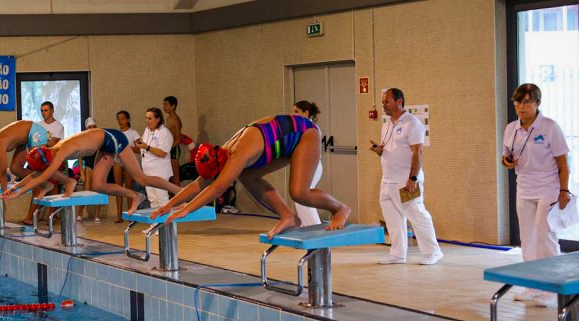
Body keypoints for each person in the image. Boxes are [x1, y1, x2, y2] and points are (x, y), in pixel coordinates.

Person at [150, 114, 351, 239]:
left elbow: (217, 187)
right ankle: (287, 216)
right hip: (283, 141)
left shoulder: (238, 155)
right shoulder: (224, 153)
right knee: (247, 176)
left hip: (305, 134)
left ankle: (340, 209)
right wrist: (169, 205)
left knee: (299, 192)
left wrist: (188, 210)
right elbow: (200, 183)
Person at [2, 127, 183, 215]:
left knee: (141, 178)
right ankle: (135, 196)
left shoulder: (61, 151)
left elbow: (44, 174)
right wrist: (17, 187)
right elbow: (37, 174)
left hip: (113, 139)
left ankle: (181, 194)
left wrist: (19, 193)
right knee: (98, 185)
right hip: (102, 145)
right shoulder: (51, 151)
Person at [502, 83, 570, 306]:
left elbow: (563, 163)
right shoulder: (511, 128)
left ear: (537, 103)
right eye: (518, 102)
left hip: (548, 189)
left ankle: (552, 289)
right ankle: (532, 286)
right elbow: (506, 157)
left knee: (545, 237)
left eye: (527, 102)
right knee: (527, 240)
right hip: (524, 188)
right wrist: (507, 162)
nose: (521, 106)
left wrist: (563, 190)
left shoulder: (550, 127)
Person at [369, 88, 442, 265]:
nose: (383, 105)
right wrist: (380, 151)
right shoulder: (386, 125)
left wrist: (413, 178)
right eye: (383, 102)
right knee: (392, 218)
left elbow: (418, 152)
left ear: (399, 101)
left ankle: (433, 252)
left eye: (387, 101)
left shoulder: (412, 123)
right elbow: (391, 149)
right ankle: (397, 253)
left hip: (405, 179)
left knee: (417, 215)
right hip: (387, 179)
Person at [0, 120, 76, 225]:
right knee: (15, 169)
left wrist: (4, 199)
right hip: (25, 139)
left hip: (35, 132)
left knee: (40, 170)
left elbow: (2, 175)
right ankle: (42, 183)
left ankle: (32, 214)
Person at [292, 100, 325, 226]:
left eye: (297, 112)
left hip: (313, 167)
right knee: (300, 198)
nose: (294, 115)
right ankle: (307, 227)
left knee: (303, 196)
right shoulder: (302, 129)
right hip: (305, 167)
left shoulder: (312, 129)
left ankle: (314, 228)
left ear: (306, 113)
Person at [139, 108, 176, 209]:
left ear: (158, 119)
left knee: (162, 199)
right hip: (147, 172)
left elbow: (162, 153)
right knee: (152, 200)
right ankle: (155, 224)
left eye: (150, 118)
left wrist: (147, 147)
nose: (147, 121)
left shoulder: (165, 132)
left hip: (160, 172)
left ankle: (168, 224)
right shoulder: (147, 130)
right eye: (146, 118)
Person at [113, 111, 142, 223]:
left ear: (128, 119)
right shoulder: (116, 133)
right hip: (118, 160)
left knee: (129, 187)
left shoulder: (133, 133)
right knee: (118, 188)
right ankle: (119, 215)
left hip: (129, 160)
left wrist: (128, 148)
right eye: (118, 119)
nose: (121, 121)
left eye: (123, 119)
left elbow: (140, 149)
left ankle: (131, 213)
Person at [79, 117, 103, 222]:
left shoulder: (100, 138)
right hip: (88, 166)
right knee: (87, 189)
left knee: (98, 190)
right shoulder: (83, 140)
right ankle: (79, 213)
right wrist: (81, 172)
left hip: (98, 166)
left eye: (94, 127)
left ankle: (97, 215)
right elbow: (79, 157)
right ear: (86, 129)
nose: (92, 128)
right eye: (90, 127)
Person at [163, 96, 184, 186]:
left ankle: (181, 199)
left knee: (175, 177)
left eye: (166, 104)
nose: (164, 107)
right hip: (168, 149)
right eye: (163, 104)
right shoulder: (168, 119)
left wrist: (167, 148)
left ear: (173, 106)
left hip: (174, 149)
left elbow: (179, 140)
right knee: (169, 177)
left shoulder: (176, 120)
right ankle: (172, 198)